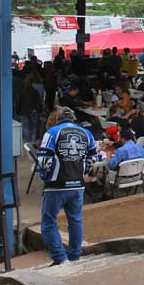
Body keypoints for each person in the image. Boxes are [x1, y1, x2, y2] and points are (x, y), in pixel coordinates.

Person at [38, 108, 96, 266]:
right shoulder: (87, 133)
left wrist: (45, 177)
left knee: (48, 222)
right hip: (77, 184)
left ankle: (60, 258)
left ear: (59, 119)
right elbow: (92, 158)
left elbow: (44, 160)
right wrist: (82, 173)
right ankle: (74, 256)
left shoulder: (52, 132)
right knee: (75, 220)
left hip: (56, 184)